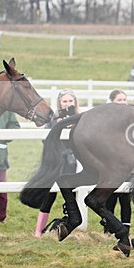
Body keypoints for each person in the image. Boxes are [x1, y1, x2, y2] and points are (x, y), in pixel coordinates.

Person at [35, 89, 79, 236]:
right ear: (60, 104)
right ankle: (38, 231)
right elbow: (46, 139)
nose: (68, 104)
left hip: (73, 162)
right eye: (65, 101)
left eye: (70, 101)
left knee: (71, 195)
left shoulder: (80, 118)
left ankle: (69, 225)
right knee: (49, 195)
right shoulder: (53, 119)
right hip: (56, 162)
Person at [102, 90, 132, 230]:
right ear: (112, 101)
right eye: (119, 99)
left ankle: (126, 226)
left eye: (124, 99)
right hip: (111, 163)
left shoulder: (131, 118)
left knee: (126, 199)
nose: (123, 102)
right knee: (110, 197)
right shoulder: (107, 119)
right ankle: (109, 226)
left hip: (128, 162)